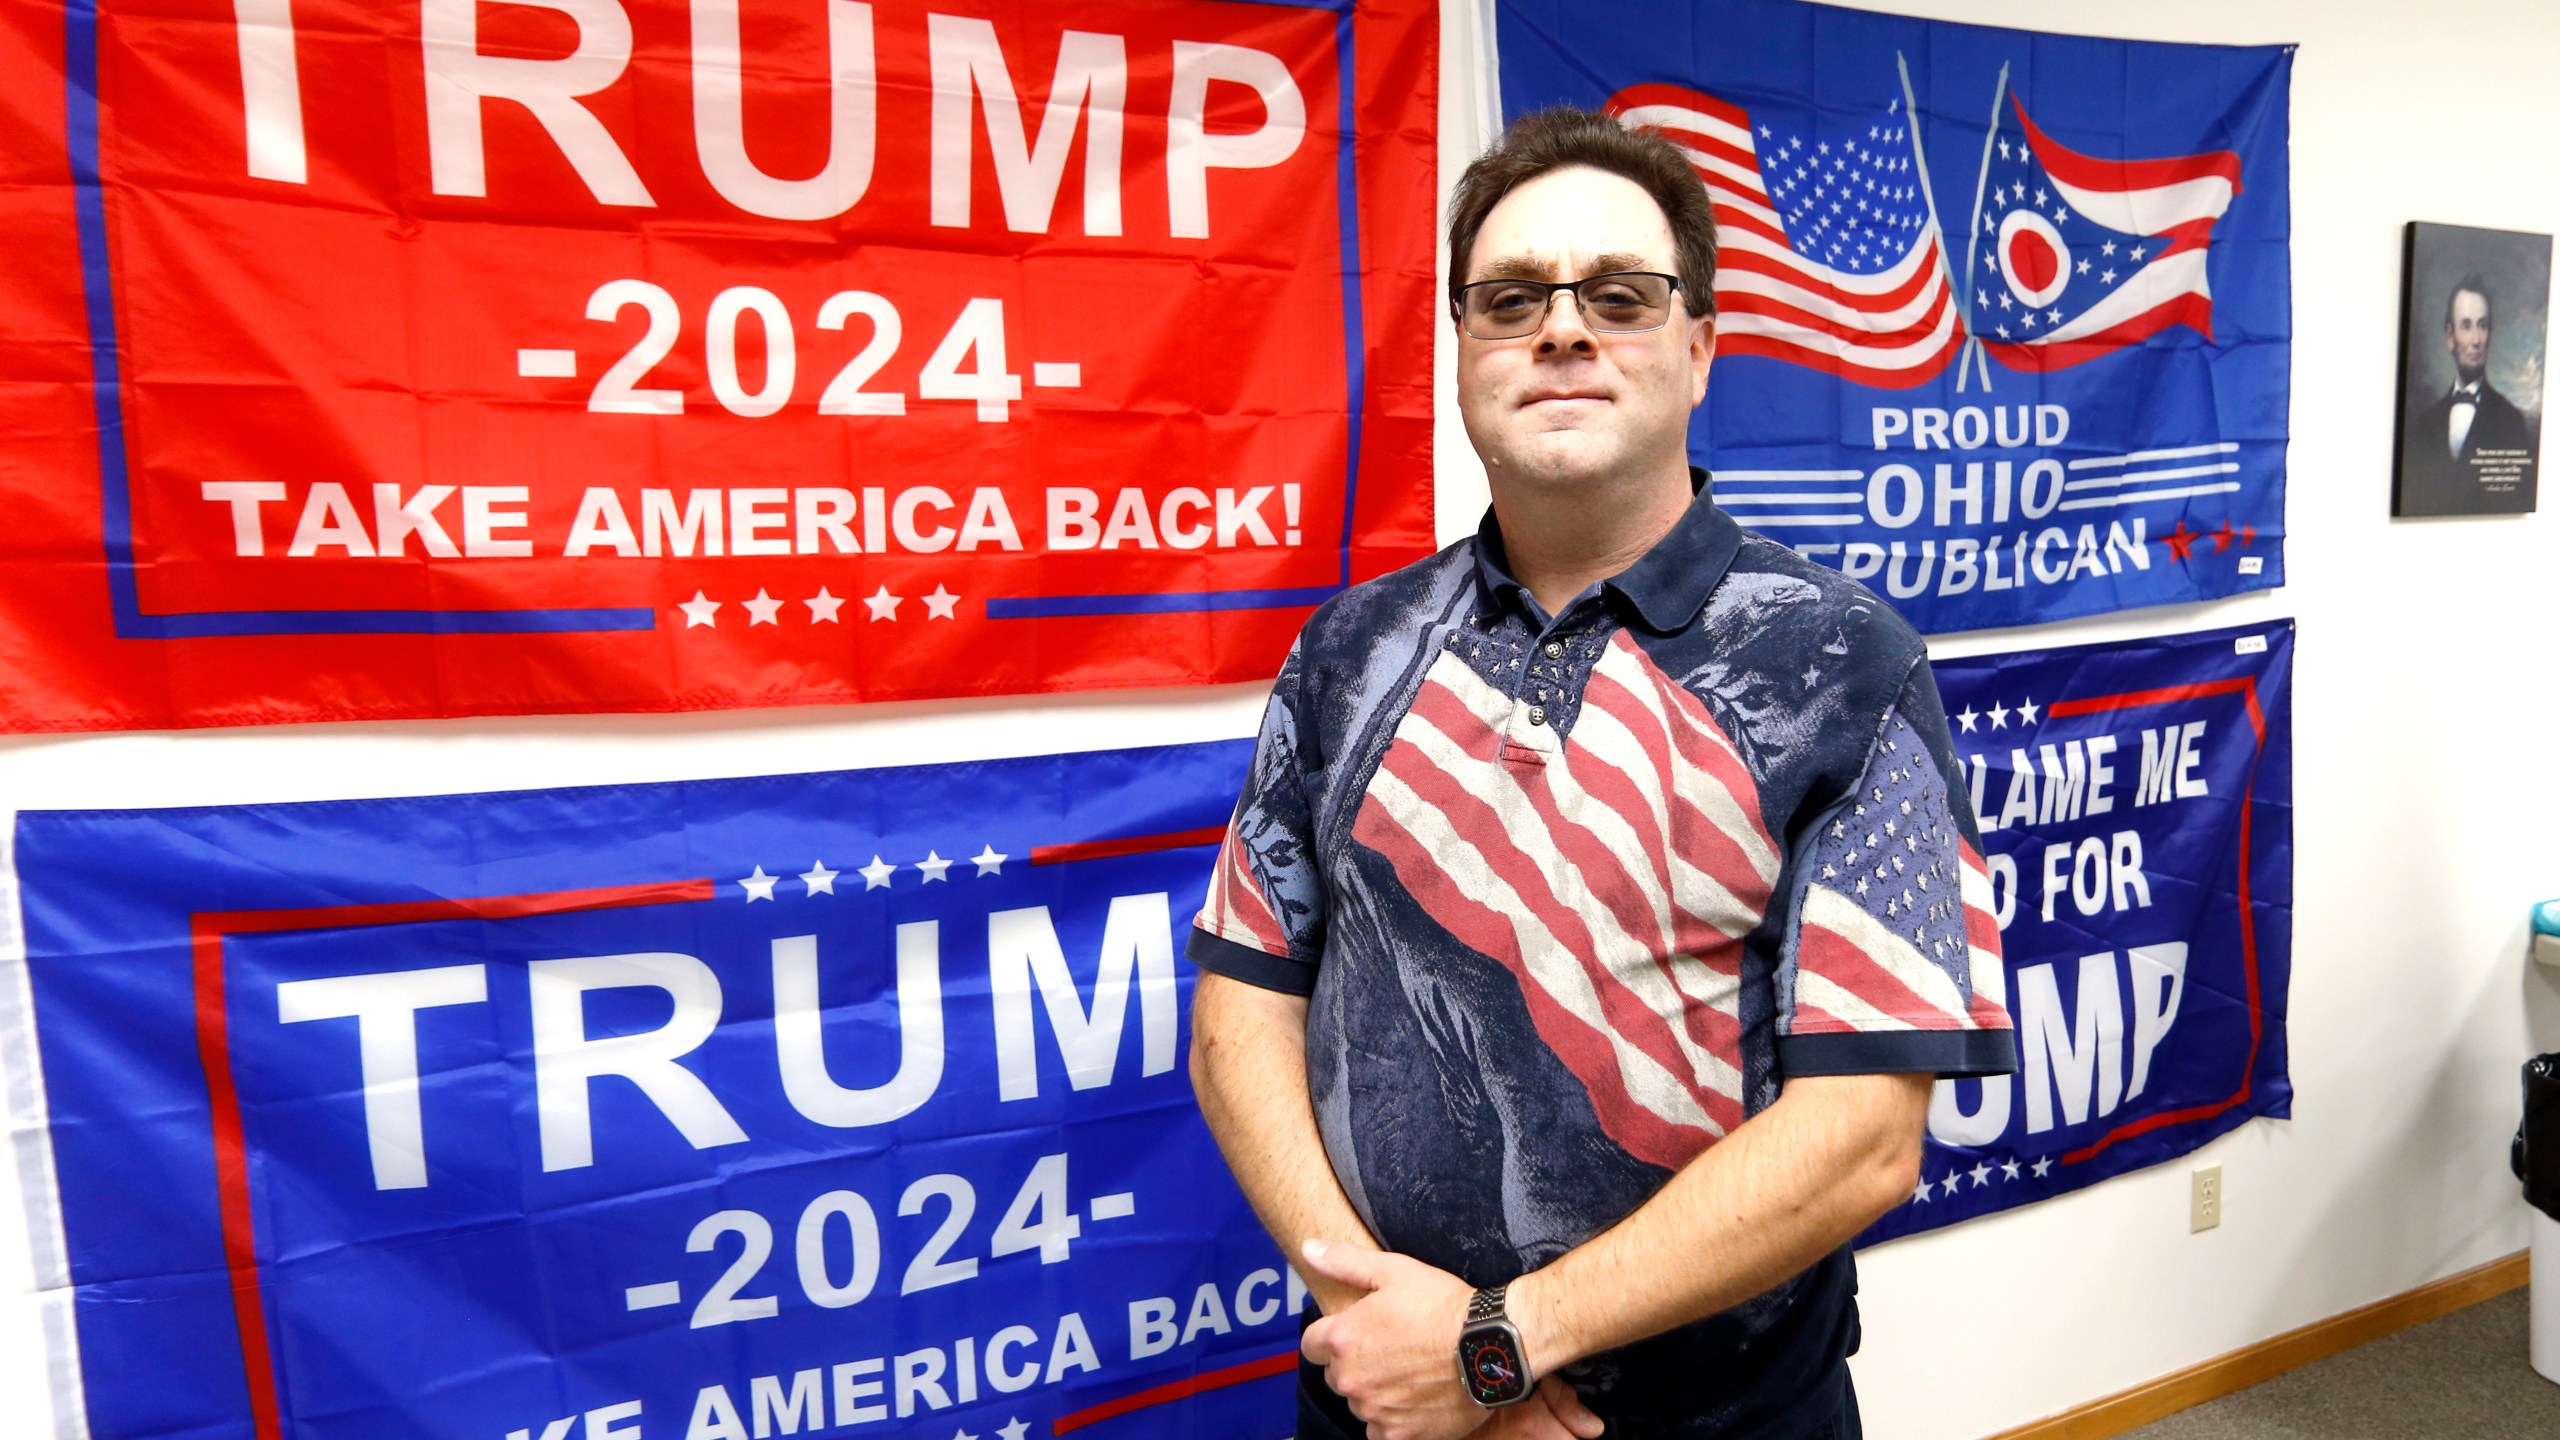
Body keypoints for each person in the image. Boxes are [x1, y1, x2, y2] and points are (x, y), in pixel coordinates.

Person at [1184, 107, 2018, 1440]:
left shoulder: (1845, 665)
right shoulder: (1350, 651)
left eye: (1620, 297)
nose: (1563, 329)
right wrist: (1391, 1334)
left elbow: (1863, 1132)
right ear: (1461, 349)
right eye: (1512, 299)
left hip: (1708, 1419)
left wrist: (1500, 1354)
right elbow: (1243, 1011)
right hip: (1377, 1396)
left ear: (1698, 352)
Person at [2400, 273, 2539, 513]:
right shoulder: (2424, 425)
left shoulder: (2511, 421)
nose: (2476, 339)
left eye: (2482, 325)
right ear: (2449, 336)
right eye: (2466, 326)